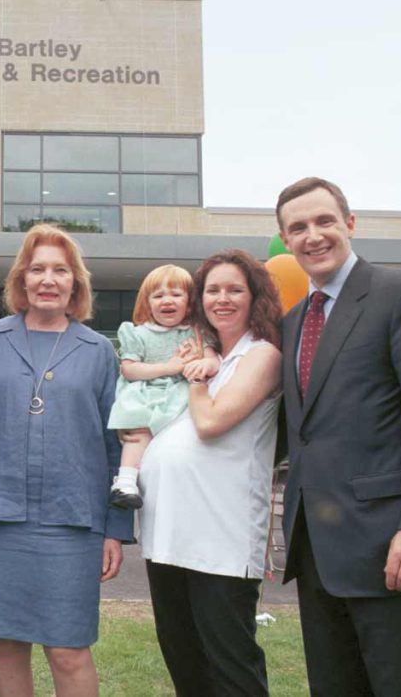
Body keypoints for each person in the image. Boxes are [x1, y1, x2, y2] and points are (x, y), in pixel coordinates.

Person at [276, 177, 401, 696]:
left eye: (324, 221)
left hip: (395, 550)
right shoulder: (294, 322)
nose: (312, 235)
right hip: (317, 555)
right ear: (285, 241)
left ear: (350, 223)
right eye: (298, 228)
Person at [0, 224, 134, 697]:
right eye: (37, 269)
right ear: (21, 279)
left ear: (75, 282)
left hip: (72, 523)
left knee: (68, 649)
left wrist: (115, 528)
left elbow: (118, 444)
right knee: (8, 640)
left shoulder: (99, 352)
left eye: (60, 270)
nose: (48, 279)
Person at [139, 249, 283, 696]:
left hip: (220, 538)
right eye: (213, 290)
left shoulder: (261, 355)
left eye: (235, 289)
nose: (222, 298)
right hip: (168, 535)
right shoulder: (209, 354)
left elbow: (211, 423)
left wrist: (195, 376)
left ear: (254, 296)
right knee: (185, 662)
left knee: (230, 666)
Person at [106, 264, 219, 509]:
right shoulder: (138, 333)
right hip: (146, 394)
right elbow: (130, 369)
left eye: (176, 294)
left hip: (181, 395)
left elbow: (212, 358)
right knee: (138, 432)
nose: (167, 300)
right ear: (147, 303)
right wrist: (171, 367)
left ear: (190, 303)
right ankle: (125, 481)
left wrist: (205, 365)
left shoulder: (196, 333)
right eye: (158, 296)